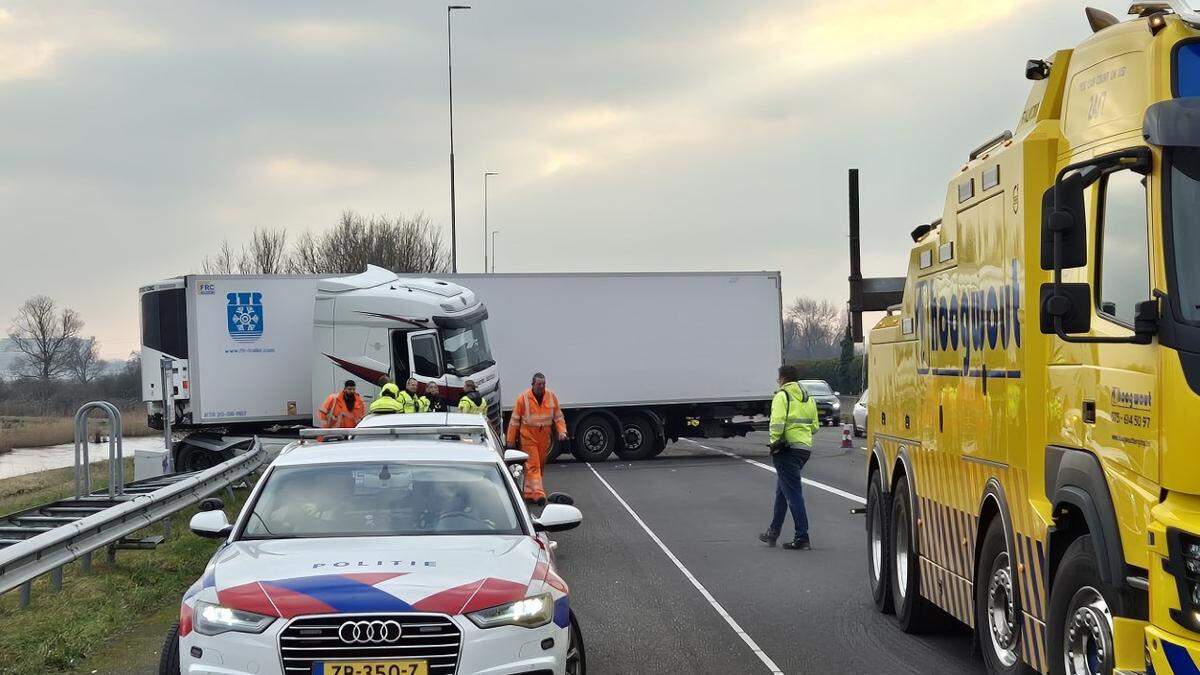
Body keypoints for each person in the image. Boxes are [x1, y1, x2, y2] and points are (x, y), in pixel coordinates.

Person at [759, 365, 819, 550]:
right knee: (782, 490)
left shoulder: (782, 396)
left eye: (779, 379)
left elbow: (776, 423)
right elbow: (815, 426)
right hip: (804, 449)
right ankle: (773, 532)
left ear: (783, 379)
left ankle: (802, 536)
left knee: (793, 494)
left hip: (786, 450)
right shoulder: (808, 398)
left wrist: (775, 443)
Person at [505, 373, 567, 505]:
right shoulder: (523, 398)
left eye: (544, 383)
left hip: (544, 438)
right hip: (528, 437)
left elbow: (558, 417)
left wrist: (562, 431)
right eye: (539, 384)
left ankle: (528, 493)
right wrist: (510, 439)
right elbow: (514, 421)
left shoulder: (551, 397)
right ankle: (538, 494)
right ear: (532, 384)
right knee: (533, 465)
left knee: (540, 465)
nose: (542, 386)